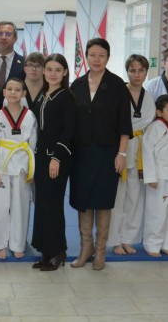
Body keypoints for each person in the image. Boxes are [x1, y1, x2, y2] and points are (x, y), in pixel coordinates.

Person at [70, 38, 132, 270]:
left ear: (108, 58)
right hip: (81, 153)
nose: (96, 59)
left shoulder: (117, 85)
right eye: (92, 55)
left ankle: (100, 251)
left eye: (101, 55)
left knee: (103, 201)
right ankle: (86, 248)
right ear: (86, 56)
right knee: (83, 201)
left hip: (108, 153)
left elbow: (124, 123)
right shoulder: (76, 85)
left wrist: (121, 154)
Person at [31, 54, 76, 271]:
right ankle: (45, 251)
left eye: (58, 70)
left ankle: (58, 251)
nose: (53, 74)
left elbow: (69, 130)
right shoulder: (42, 94)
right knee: (42, 205)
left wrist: (56, 157)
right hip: (40, 158)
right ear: (43, 71)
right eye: (49, 69)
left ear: (65, 72)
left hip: (56, 159)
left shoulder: (67, 97)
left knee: (53, 206)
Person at [108, 54, 155, 256]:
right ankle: (114, 240)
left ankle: (128, 239)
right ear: (127, 72)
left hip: (141, 149)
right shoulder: (118, 93)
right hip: (122, 145)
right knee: (118, 197)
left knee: (135, 197)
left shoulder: (149, 97)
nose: (137, 74)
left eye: (141, 70)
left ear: (146, 72)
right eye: (132, 70)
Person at [0, 77, 38, 260]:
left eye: (17, 90)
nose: (13, 92)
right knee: (0, 207)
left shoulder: (30, 116)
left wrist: (32, 168)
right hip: (2, 165)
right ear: (4, 92)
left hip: (22, 166)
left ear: (23, 93)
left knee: (20, 206)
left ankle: (17, 244)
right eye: (9, 89)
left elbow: (33, 143)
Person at [142, 95, 168, 257]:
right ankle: (153, 245)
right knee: (157, 212)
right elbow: (147, 152)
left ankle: (167, 244)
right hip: (159, 177)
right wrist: (151, 177)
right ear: (159, 112)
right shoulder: (155, 127)